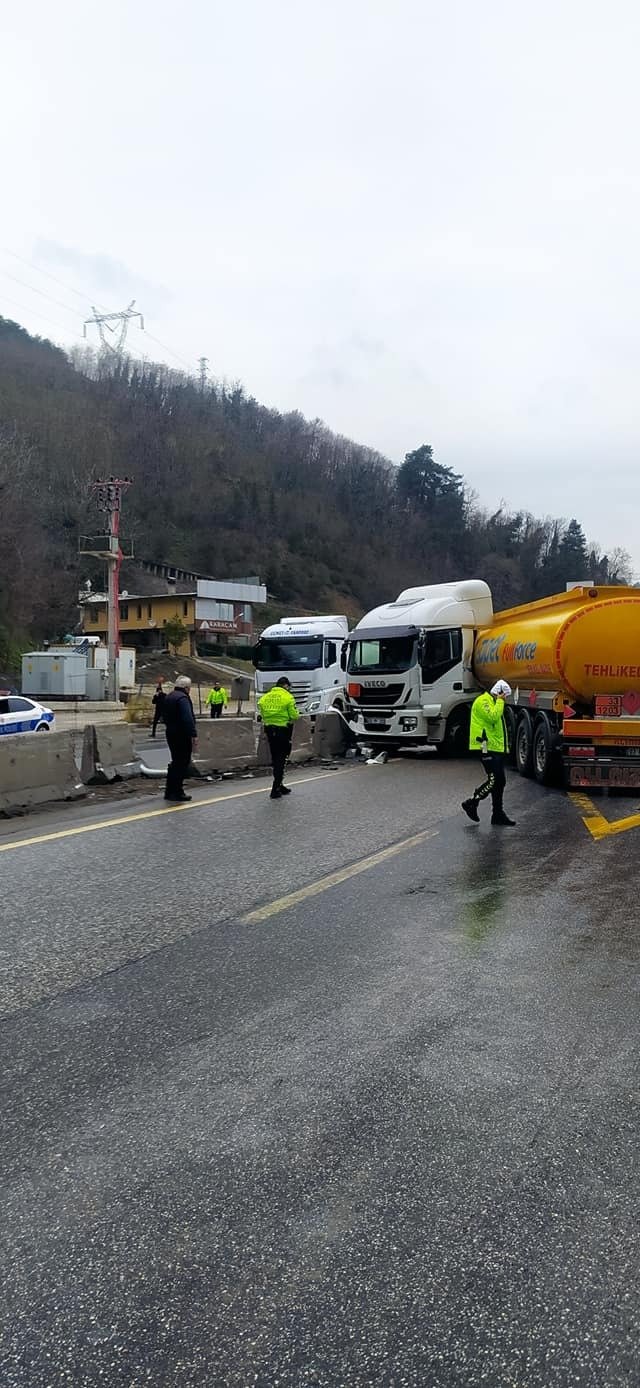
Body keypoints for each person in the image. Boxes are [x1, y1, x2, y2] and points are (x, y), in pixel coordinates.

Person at [461, 680, 516, 826]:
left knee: (500, 781)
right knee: (494, 780)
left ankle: (497, 814)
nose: (505, 699)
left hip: (494, 748)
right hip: (484, 746)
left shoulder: (492, 702)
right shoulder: (483, 701)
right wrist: (500, 702)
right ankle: (472, 802)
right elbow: (492, 717)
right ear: (499, 693)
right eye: (505, 696)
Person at [258, 676, 299, 799]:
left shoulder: (265, 698)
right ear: (286, 686)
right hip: (283, 731)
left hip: (270, 731)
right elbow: (294, 716)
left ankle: (280, 785)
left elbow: (262, 713)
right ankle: (275, 788)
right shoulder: (288, 697)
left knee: (275, 757)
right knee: (282, 758)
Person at [163, 675, 198, 803]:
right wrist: (193, 734)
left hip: (170, 733)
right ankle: (177, 792)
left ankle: (169, 791)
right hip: (181, 735)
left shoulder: (169, 696)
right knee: (182, 763)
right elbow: (187, 718)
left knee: (175, 762)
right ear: (187, 688)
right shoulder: (183, 699)